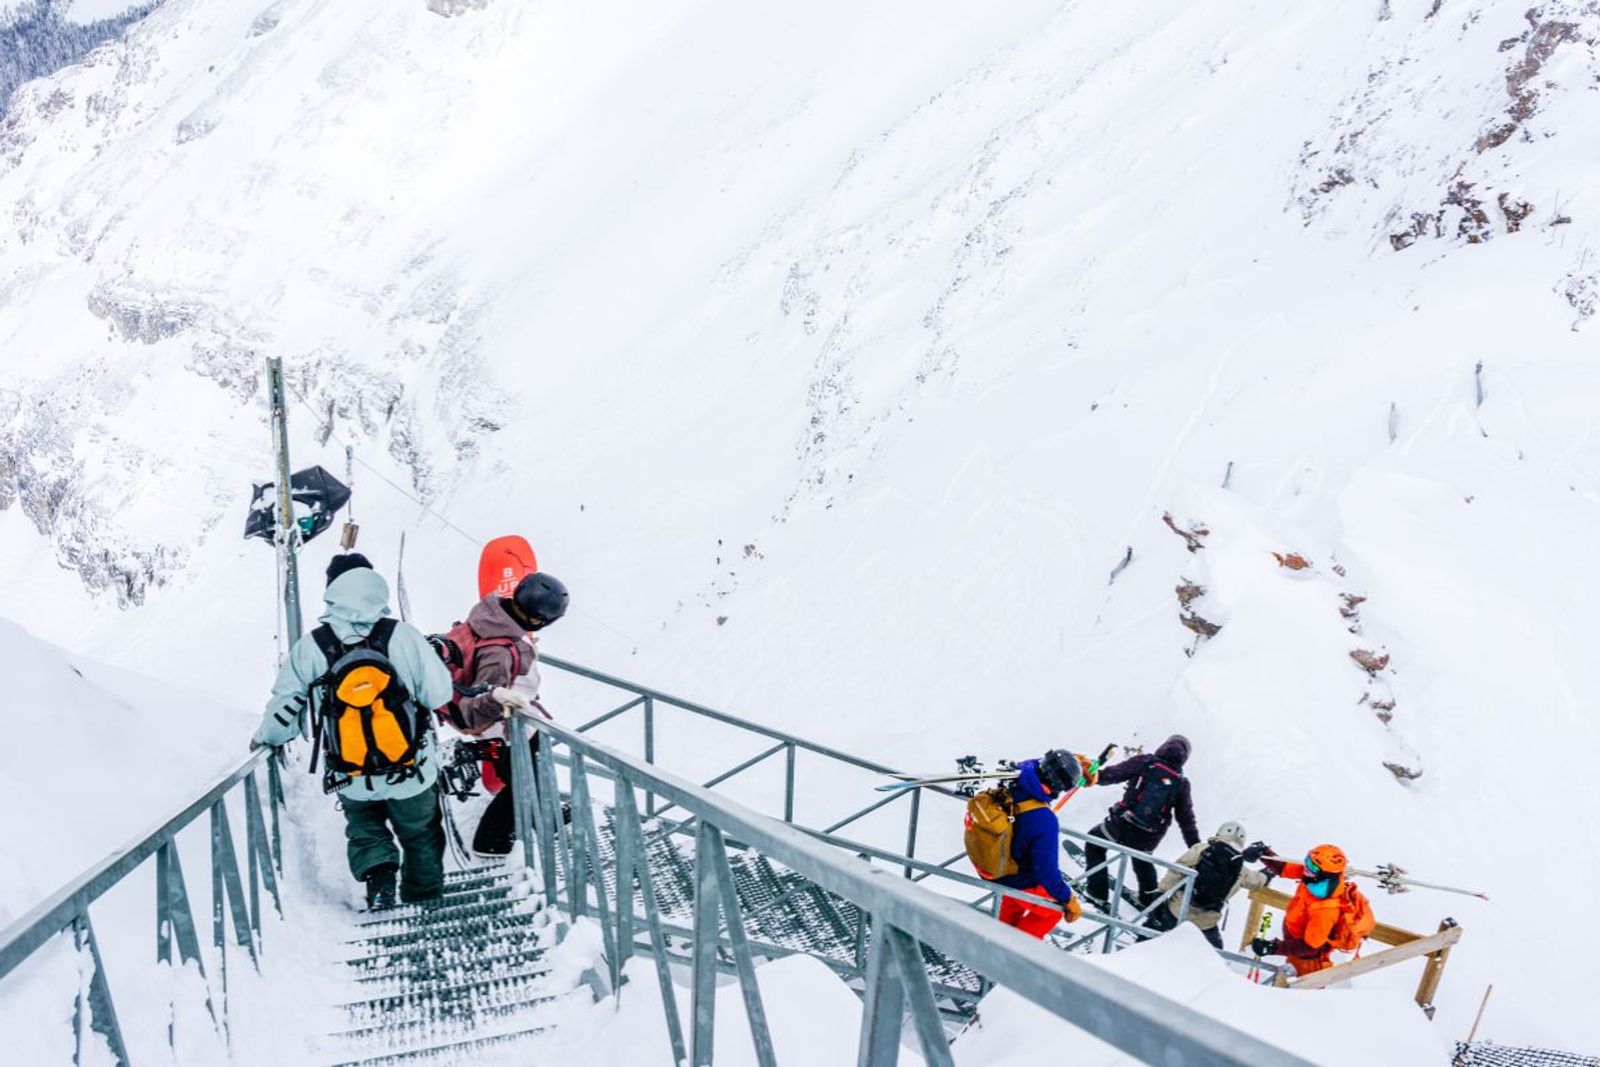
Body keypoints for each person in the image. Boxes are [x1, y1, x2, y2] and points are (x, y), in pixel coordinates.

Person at [253, 554, 453, 909]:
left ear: (331, 590)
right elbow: (438, 695)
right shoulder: (402, 636)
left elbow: (285, 705)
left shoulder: (312, 646)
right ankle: (424, 901)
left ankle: (380, 881)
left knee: (364, 828)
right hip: (411, 767)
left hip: (350, 769)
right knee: (421, 834)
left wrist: (265, 738)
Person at [439, 571, 569, 856]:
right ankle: (490, 841)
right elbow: (478, 704)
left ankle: (544, 816)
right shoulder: (498, 650)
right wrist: (501, 700)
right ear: (538, 619)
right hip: (503, 728)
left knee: (533, 769)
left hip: (513, 719)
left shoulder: (490, 617)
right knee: (522, 783)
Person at [1082, 735, 1200, 911]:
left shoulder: (1145, 762)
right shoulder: (1181, 783)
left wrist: (1091, 777)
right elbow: (1186, 818)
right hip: (1147, 836)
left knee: (1094, 844)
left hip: (1121, 825)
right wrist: (1196, 847)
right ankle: (1147, 901)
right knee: (1143, 862)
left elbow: (1113, 775)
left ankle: (1097, 893)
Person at [987, 750, 1086, 939]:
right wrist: (1067, 898)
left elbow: (1030, 765)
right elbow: (1047, 873)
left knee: (1013, 900)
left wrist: (1067, 761)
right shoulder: (1043, 819)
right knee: (1053, 911)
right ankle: (1015, 951)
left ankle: (996, 941)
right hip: (1016, 877)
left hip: (996, 867)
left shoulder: (1016, 781)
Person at [1251, 843, 1374, 977]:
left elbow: (1310, 948)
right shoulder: (1313, 877)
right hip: (1294, 948)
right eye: (1308, 860)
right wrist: (1263, 852)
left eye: (1312, 866)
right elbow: (1284, 868)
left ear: (1325, 875)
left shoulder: (1325, 910)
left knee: (1299, 988)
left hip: (1308, 963)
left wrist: (1273, 947)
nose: (1306, 868)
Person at [1146, 821, 1273, 949]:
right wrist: (1268, 873)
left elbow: (1177, 870)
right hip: (1205, 922)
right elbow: (1256, 882)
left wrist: (1161, 892)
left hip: (1177, 910)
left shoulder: (1202, 849)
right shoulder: (1239, 867)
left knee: (1147, 936)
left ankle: (1137, 949)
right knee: (1215, 953)